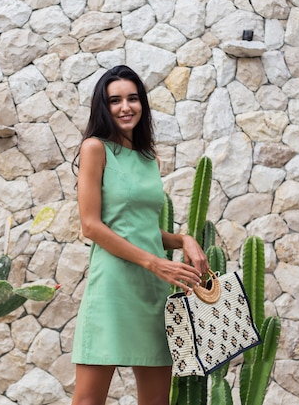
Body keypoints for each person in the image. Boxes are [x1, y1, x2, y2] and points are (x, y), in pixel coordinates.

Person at [71, 65, 209, 405]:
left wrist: (183, 240)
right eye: (115, 100)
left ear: (142, 104)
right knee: (89, 400)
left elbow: (141, 226)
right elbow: (91, 225)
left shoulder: (149, 159)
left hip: (154, 287)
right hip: (114, 285)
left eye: (133, 98)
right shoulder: (95, 148)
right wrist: (154, 263)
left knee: (156, 400)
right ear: (104, 107)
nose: (125, 107)